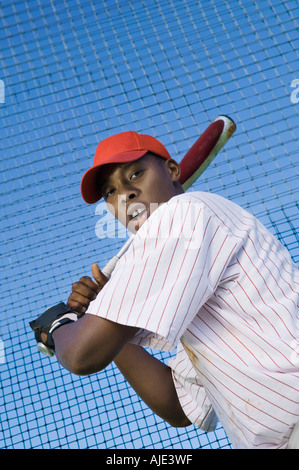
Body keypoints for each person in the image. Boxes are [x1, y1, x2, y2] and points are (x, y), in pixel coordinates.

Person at [35, 130, 299, 449]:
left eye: (136, 173)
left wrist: (60, 326)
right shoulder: (186, 291)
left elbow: (80, 356)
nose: (126, 195)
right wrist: (103, 311)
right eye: (110, 192)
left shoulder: (183, 213)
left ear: (172, 171)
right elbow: (177, 406)